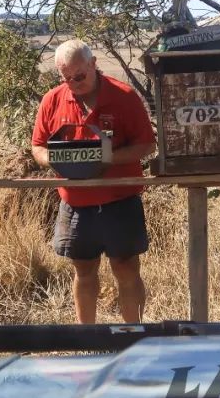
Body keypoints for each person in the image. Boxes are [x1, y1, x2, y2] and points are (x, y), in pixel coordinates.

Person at [31, 39, 157, 324]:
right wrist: (57, 160)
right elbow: (38, 146)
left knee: (126, 270)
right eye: (67, 78)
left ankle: (133, 339)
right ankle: (85, 340)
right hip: (75, 203)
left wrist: (105, 159)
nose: (74, 82)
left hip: (119, 199)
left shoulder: (123, 96)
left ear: (93, 64)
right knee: (84, 270)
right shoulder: (53, 99)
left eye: (80, 76)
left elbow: (146, 145)